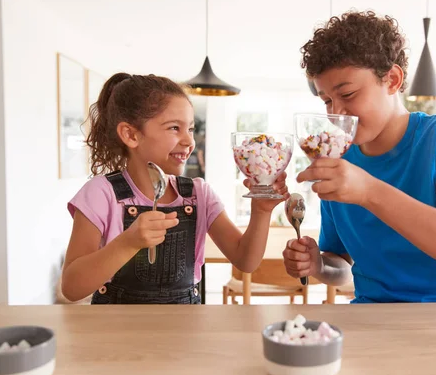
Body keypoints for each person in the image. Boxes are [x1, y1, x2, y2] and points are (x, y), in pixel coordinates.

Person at [283, 11, 436, 303]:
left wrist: (369, 191)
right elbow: (343, 266)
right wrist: (319, 265)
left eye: (347, 94)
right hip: (375, 316)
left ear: (393, 80)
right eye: (327, 101)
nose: (336, 113)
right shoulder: (339, 161)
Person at [62, 73, 288, 304]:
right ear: (131, 135)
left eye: (190, 129)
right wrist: (127, 242)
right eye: (174, 128)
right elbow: (71, 287)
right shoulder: (101, 193)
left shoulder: (199, 194)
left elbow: (245, 261)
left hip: (186, 330)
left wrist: (261, 211)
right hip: (117, 333)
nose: (189, 141)